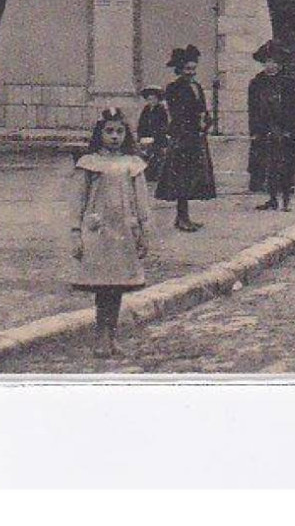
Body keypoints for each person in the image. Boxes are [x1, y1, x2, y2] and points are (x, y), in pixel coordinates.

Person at [70, 108, 153, 358]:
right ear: (100, 133)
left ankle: (113, 336)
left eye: (119, 131)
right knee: (102, 288)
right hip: (98, 232)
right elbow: (78, 200)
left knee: (117, 288)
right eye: (109, 131)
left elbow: (142, 203)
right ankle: (100, 336)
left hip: (124, 232)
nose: (114, 136)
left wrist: (144, 233)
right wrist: (76, 232)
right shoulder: (90, 164)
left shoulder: (133, 164)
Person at [154, 45, 217, 232]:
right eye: (187, 69)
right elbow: (177, 113)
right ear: (180, 69)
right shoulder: (174, 88)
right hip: (182, 137)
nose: (191, 73)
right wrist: (190, 127)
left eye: (193, 69)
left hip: (196, 137)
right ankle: (181, 218)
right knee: (181, 178)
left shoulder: (197, 86)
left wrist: (206, 121)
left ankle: (186, 217)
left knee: (192, 178)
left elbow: (202, 109)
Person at [248, 40, 295, 212]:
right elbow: (252, 109)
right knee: (267, 165)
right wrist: (255, 130)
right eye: (267, 62)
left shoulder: (288, 83)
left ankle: (286, 199)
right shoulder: (257, 83)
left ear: (279, 64)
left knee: (285, 165)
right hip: (265, 129)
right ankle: (272, 199)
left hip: (285, 129)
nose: (270, 65)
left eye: (273, 62)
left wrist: (291, 130)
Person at [135, 84, 168, 184]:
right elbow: (141, 123)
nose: (151, 101)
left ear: (158, 99)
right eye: (149, 99)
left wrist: (156, 136)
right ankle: (148, 174)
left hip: (158, 138)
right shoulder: (146, 109)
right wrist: (140, 135)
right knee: (145, 155)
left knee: (157, 156)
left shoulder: (161, 110)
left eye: (153, 99)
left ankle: (156, 175)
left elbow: (163, 125)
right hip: (146, 136)